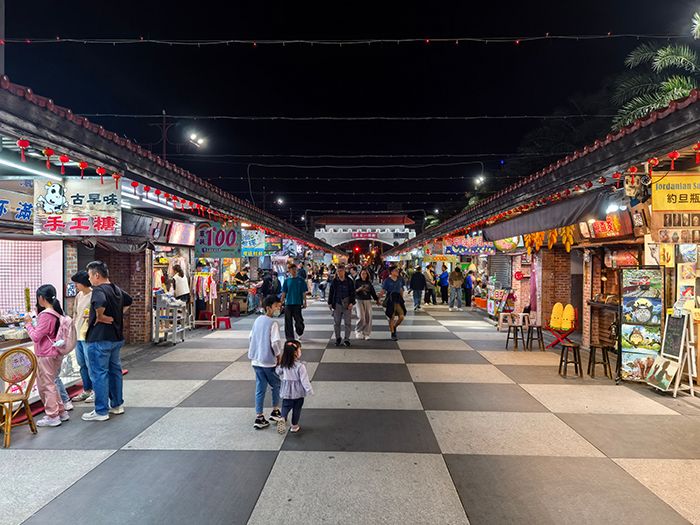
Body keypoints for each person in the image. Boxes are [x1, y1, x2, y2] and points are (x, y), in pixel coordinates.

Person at [81, 261, 133, 422]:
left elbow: (100, 302)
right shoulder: (116, 288)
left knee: (99, 374)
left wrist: (101, 316)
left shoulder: (98, 290)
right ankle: (117, 405)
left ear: (97, 275)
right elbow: (129, 300)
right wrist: (117, 315)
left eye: (89, 276)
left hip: (99, 338)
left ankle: (101, 411)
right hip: (115, 338)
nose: (89, 279)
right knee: (114, 371)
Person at [24, 285, 70, 427]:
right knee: (52, 383)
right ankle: (61, 412)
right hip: (54, 352)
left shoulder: (46, 315)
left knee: (47, 385)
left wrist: (28, 324)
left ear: (41, 298)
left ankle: (52, 416)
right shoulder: (57, 312)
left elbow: (36, 337)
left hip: (46, 353)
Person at [248, 295, 285, 429]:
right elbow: (275, 342)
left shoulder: (257, 320)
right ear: (268, 308)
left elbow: (251, 337)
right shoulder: (272, 323)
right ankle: (275, 411)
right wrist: (278, 355)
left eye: (279, 306)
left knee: (260, 388)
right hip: (268, 361)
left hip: (256, 360)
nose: (278, 309)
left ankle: (259, 416)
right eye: (276, 306)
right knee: (276, 384)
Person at [275, 340, 314, 434]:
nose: (301, 352)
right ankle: (294, 426)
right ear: (295, 353)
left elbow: (278, 371)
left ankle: (283, 417)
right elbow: (304, 380)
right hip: (298, 392)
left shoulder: (284, 364)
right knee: (297, 409)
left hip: (286, 391)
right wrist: (309, 390)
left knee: (285, 406)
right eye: (300, 350)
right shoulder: (300, 366)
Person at [70, 271, 94, 404]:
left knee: (91, 364)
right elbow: (75, 313)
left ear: (83, 283)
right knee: (82, 364)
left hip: (88, 335)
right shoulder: (79, 296)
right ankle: (87, 389)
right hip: (78, 334)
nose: (75, 286)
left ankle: (96, 391)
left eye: (77, 283)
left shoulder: (93, 295)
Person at [328, 264, 356, 346]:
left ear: (344, 271)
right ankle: (338, 338)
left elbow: (353, 292)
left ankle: (346, 339)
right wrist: (330, 303)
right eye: (338, 271)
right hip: (337, 303)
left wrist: (352, 302)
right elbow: (331, 292)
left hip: (347, 303)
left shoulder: (349, 281)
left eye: (341, 271)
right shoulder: (334, 281)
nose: (340, 273)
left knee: (347, 322)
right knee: (337, 322)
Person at [281, 264, 308, 341]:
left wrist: (305, 302)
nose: (293, 271)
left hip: (297, 303)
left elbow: (304, 292)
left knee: (299, 320)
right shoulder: (287, 281)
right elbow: (284, 292)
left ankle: (299, 332)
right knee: (288, 321)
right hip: (288, 304)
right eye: (292, 269)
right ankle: (290, 337)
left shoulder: (301, 280)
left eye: (295, 269)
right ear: (289, 271)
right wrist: (281, 302)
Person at [354, 268, 380, 339]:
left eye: (365, 274)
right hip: (359, 300)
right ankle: (358, 330)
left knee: (368, 317)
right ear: (360, 274)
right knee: (361, 317)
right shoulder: (357, 282)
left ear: (367, 275)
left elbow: (372, 292)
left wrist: (376, 300)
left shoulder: (369, 282)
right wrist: (359, 289)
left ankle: (366, 333)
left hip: (367, 300)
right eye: (362, 274)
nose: (364, 275)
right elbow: (353, 291)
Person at [382, 266, 406, 341]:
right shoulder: (387, 280)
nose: (397, 271)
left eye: (397, 270)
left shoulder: (400, 279)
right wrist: (378, 298)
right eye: (396, 270)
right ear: (391, 272)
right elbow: (383, 290)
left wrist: (402, 299)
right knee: (391, 317)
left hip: (398, 299)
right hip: (390, 298)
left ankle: (394, 326)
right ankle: (393, 333)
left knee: (401, 316)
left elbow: (401, 289)